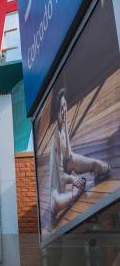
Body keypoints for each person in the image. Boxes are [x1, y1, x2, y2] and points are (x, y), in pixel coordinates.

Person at [48, 87, 110, 224]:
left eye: (65, 106)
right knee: (55, 202)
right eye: (61, 108)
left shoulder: (63, 125)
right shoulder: (56, 136)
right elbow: (59, 174)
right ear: (56, 112)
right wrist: (73, 179)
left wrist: (91, 164)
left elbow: (70, 155)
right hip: (57, 185)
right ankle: (73, 194)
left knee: (100, 166)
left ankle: (96, 168)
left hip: (66, 167)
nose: (64, 111)